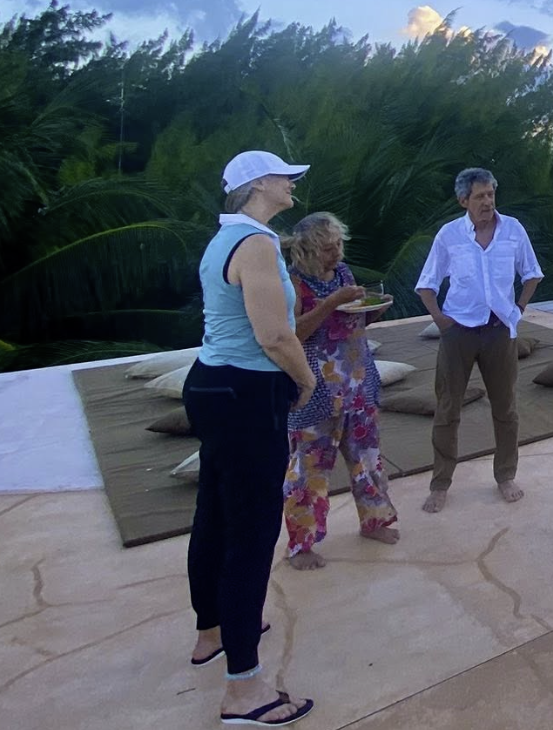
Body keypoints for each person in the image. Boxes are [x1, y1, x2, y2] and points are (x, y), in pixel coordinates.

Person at [183, 150, 316, 727]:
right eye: (285, 176)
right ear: (259, 184)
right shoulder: (257, 244)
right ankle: (244, 690)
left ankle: (210, 630)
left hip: (211, 385)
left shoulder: (224, 239)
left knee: (214, 513)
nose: (292, 183)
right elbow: (274, 335)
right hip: (245, 395)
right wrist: (307, 381)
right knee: (251, 535)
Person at [415, 167, 543, 512]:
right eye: (480, 196)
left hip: (500, 330)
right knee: (447, 409)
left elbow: (531, 274)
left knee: (506, 408)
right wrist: (440, 320)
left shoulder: (512, 230)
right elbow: (427, 282)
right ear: (463, 201)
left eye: (491, 194)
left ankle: (505, 475)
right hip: (459, 331)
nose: (488, 201)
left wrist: (518, 308)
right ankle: (440, 483)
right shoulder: (449, 235)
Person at [281, 212, 399, 570]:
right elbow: (292, 334)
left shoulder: (344, 275)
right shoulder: (294, 284)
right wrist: (331, 303)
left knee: (367, 458)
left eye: (339, 245)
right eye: (328, 248)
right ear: (307, 250)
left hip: (358, 381)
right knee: (309, 470)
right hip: (315, 389)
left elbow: (354, 320)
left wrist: (373, 310)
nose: (337, 254)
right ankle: (301, 545)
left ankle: (374, 520)